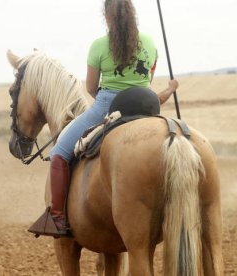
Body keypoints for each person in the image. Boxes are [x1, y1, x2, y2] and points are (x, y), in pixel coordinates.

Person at [30, 0, 179, 237]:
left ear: (106, 16)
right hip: (146, 105)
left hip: (109, 106)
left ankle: (57, 217)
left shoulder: (99, 46)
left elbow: (90, 87)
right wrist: (169, 90)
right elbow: (146, 82)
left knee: (60, 152)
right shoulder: (150, 43)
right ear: (132, 15)